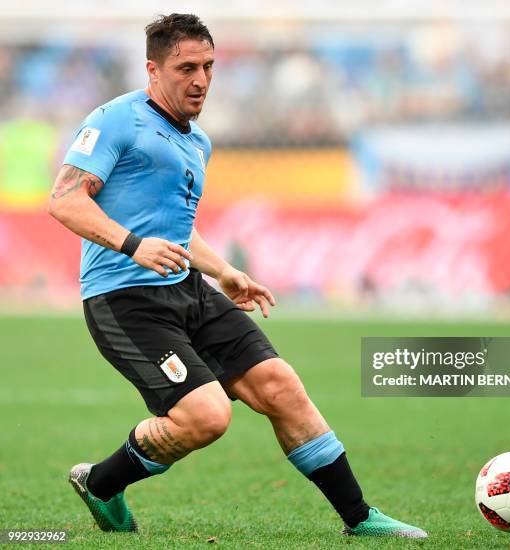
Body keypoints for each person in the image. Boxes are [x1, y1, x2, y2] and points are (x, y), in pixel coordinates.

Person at [48, 13, 427, 539]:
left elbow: (176, 229)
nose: (200, 79)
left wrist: (224, 270)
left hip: (187, 290)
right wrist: (133, 246)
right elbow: (64, 200)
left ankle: (359, 518)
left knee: (281, 385)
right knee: (207, 416)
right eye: (186, 68)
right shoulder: (116, 120)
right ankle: (102, 482)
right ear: (153, 70)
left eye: (208, 66)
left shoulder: (197, 142)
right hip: (122, 299)